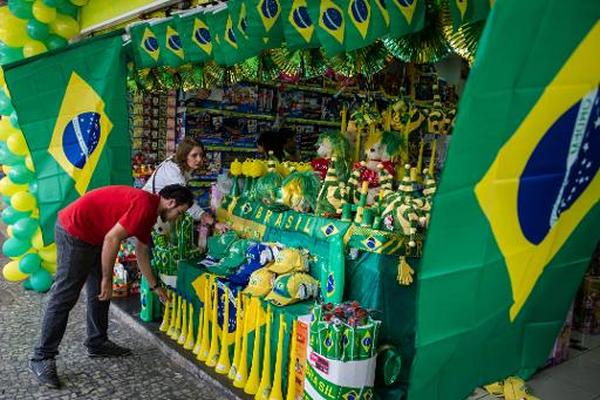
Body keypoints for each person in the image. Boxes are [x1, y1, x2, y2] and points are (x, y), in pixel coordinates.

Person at [29, 184, 194, 389]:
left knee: (100, 293)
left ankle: (97, 342)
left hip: (93, 235)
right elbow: (112, 238)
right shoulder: (144, 206)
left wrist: (154, 286)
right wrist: (107, 278)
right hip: (75, 230)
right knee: (65, 296)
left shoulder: (150, 212)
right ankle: (42, 358)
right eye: (179, 212)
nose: (177, 217)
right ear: (170, 202)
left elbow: (142, 252)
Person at [143, 137, 212, 227]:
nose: (199, 159)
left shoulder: (178, 165)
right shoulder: (173, 171)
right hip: (146, 210)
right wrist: (206, 217)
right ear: (184, 155)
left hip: (154, 209)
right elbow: (184, 202)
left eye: (201, 155)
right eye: (194, 155)